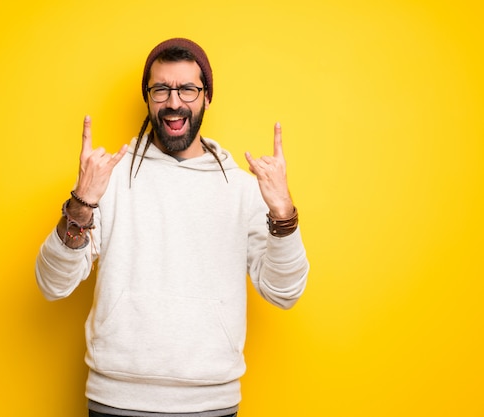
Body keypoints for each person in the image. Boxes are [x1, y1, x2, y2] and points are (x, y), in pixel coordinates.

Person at [35, 38, 309, 417]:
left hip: (211, 403)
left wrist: (282, 213)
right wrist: (81, 204)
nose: (174, 102)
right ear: (148, 97)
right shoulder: (106, 182)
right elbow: (52, 284)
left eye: (188, 89)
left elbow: (285, 292)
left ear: (207, 97)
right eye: (161, 89)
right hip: (116, 400)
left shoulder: (244, 189)